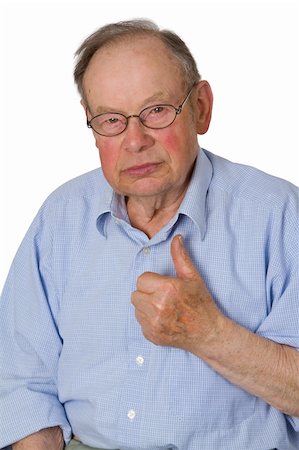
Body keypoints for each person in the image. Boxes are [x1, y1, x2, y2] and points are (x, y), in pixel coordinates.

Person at [0, 19, 298, 450]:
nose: (135, 140)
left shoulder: (280, 213)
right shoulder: (60, 217)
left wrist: (210, 334)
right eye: (111, 120)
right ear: (91, 123)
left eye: (156, 111)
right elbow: (18, 374)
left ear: (201, 107)